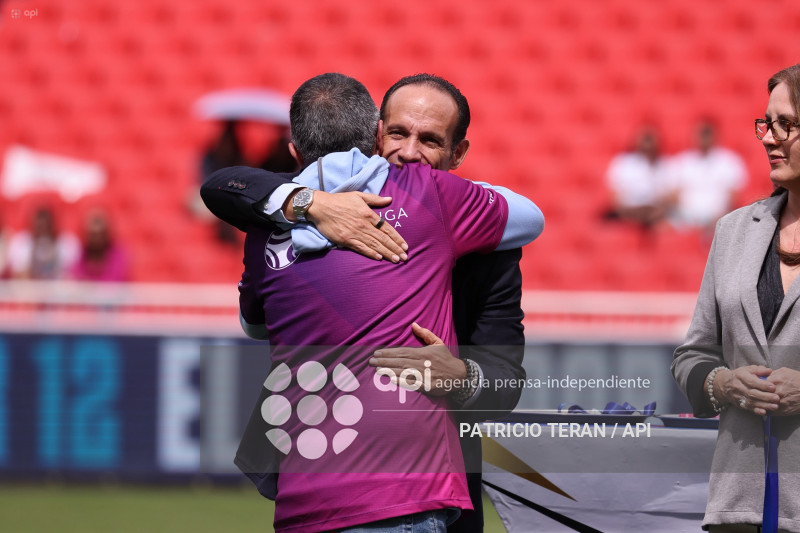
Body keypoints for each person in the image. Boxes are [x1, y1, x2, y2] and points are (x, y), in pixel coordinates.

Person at [202, 73, 539, 532]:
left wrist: (464, 377)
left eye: (430, 140)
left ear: (458, 154)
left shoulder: (488, 246)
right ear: (376, 135)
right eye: (398, 134)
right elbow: (228, 183)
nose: (408, 152)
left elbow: (506, 385)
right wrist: (308, 203)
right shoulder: (305, 199)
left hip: (434, 492)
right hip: (328, 489)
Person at [671, 64, 800, 533]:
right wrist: (721, 385)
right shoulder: (733, 231)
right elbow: (692, 355)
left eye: (787, 124)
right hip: (738, 506)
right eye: (767, 123)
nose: (769, 137)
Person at [667, 120, 748, 234]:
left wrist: (721, 217)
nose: (704, 139)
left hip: (718, 220)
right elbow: (673, 195)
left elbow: (734, 196)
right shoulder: (681, 161)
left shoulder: (730, 161)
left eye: (707, 134)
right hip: (685, 220)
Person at [604, 125, 674, 229]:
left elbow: (671, 196)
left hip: (655, 213)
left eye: (650, 139)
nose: (648, 144)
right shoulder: (623, 163)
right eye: (645, 139)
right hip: (630, 211)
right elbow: (615, 196)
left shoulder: (666, 165)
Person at [6, 206, 80, 279]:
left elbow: (71, 276)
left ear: (52, 225)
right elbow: (17, 275)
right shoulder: (21, 243)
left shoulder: (66, 244)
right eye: (40, 227)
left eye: (46, 226)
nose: (43, 231)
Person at [69, 209, 129, 282]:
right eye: (93, 235)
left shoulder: (119, 256)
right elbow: (75, 278)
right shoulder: (79, 254)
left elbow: (115, 283)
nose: (97, 239)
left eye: (100, 235)